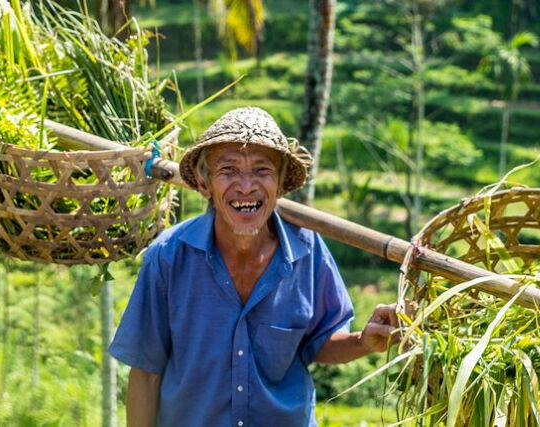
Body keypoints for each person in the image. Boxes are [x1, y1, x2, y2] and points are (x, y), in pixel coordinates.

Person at [110, 107, 404, 427]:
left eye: (262, 170)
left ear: (279, 186)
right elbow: (146, 374)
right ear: (205, 185)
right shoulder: (168, 257)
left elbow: (320, 343)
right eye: (229, 169)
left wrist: (364, 341)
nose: (246, 186)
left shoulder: (307, 251)